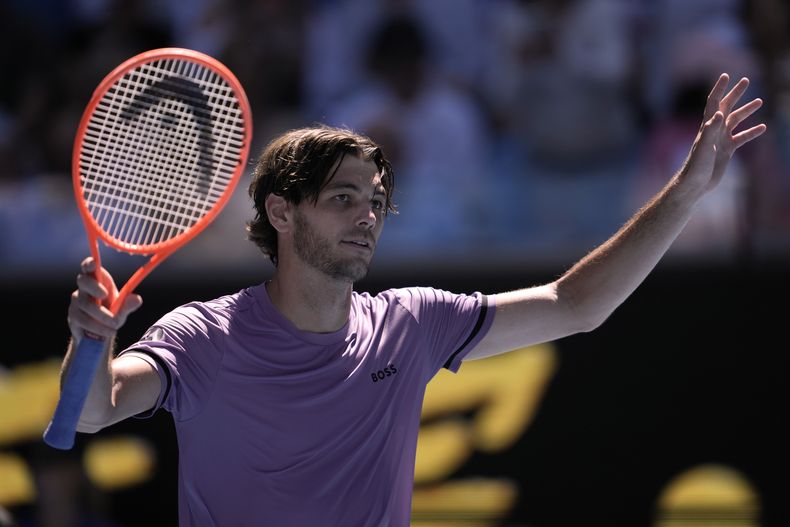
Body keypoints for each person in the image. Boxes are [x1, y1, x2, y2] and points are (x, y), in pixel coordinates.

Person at [59, 73, 765, 526]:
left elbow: (577, 304)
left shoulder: (413, 323)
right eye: (342, 199)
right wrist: (94, 336)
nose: (366, 217)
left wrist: (686, 193)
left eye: (374, 202)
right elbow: (94, 410)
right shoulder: (205, 337)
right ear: (281, 212)